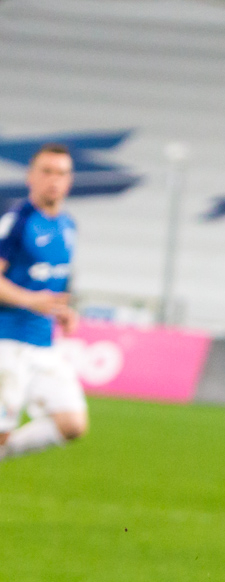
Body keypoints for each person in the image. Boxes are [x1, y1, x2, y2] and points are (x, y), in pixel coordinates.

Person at [0, 144, 85, 463]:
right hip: (7, 342)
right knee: (2, 432)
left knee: (72, 424)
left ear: (70, 180)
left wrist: (64, 311)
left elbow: (55, 283)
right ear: (30, 176)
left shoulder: (68, 226)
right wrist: (28, 300)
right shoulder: (17, 221)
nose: (54, 180)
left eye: (61, 173)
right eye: (46, 171)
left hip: (44, 345)